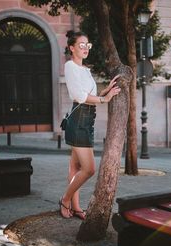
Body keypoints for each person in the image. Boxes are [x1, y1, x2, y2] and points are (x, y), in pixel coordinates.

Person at [59, 31, 121, 220]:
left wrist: (106, 90)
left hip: (87, 120)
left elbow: (90, 94)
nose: (85, 48)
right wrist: (105, 99)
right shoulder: (70, 66)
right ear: (72, 48)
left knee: (75, 168)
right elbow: (80, 96)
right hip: (79, 121)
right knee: (89, 169)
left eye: (88, 45)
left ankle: (76, 207)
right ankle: (65, 199)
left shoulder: (85, 70)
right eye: (81, 45)